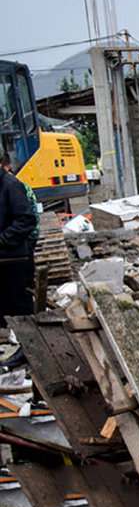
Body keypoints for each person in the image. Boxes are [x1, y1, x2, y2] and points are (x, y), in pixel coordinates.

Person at [0, 152, 36, 368]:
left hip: (13, 259)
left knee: (19, 308)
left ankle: (29, 351)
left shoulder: (11, 186)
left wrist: (3, 239)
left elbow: (27, 219)